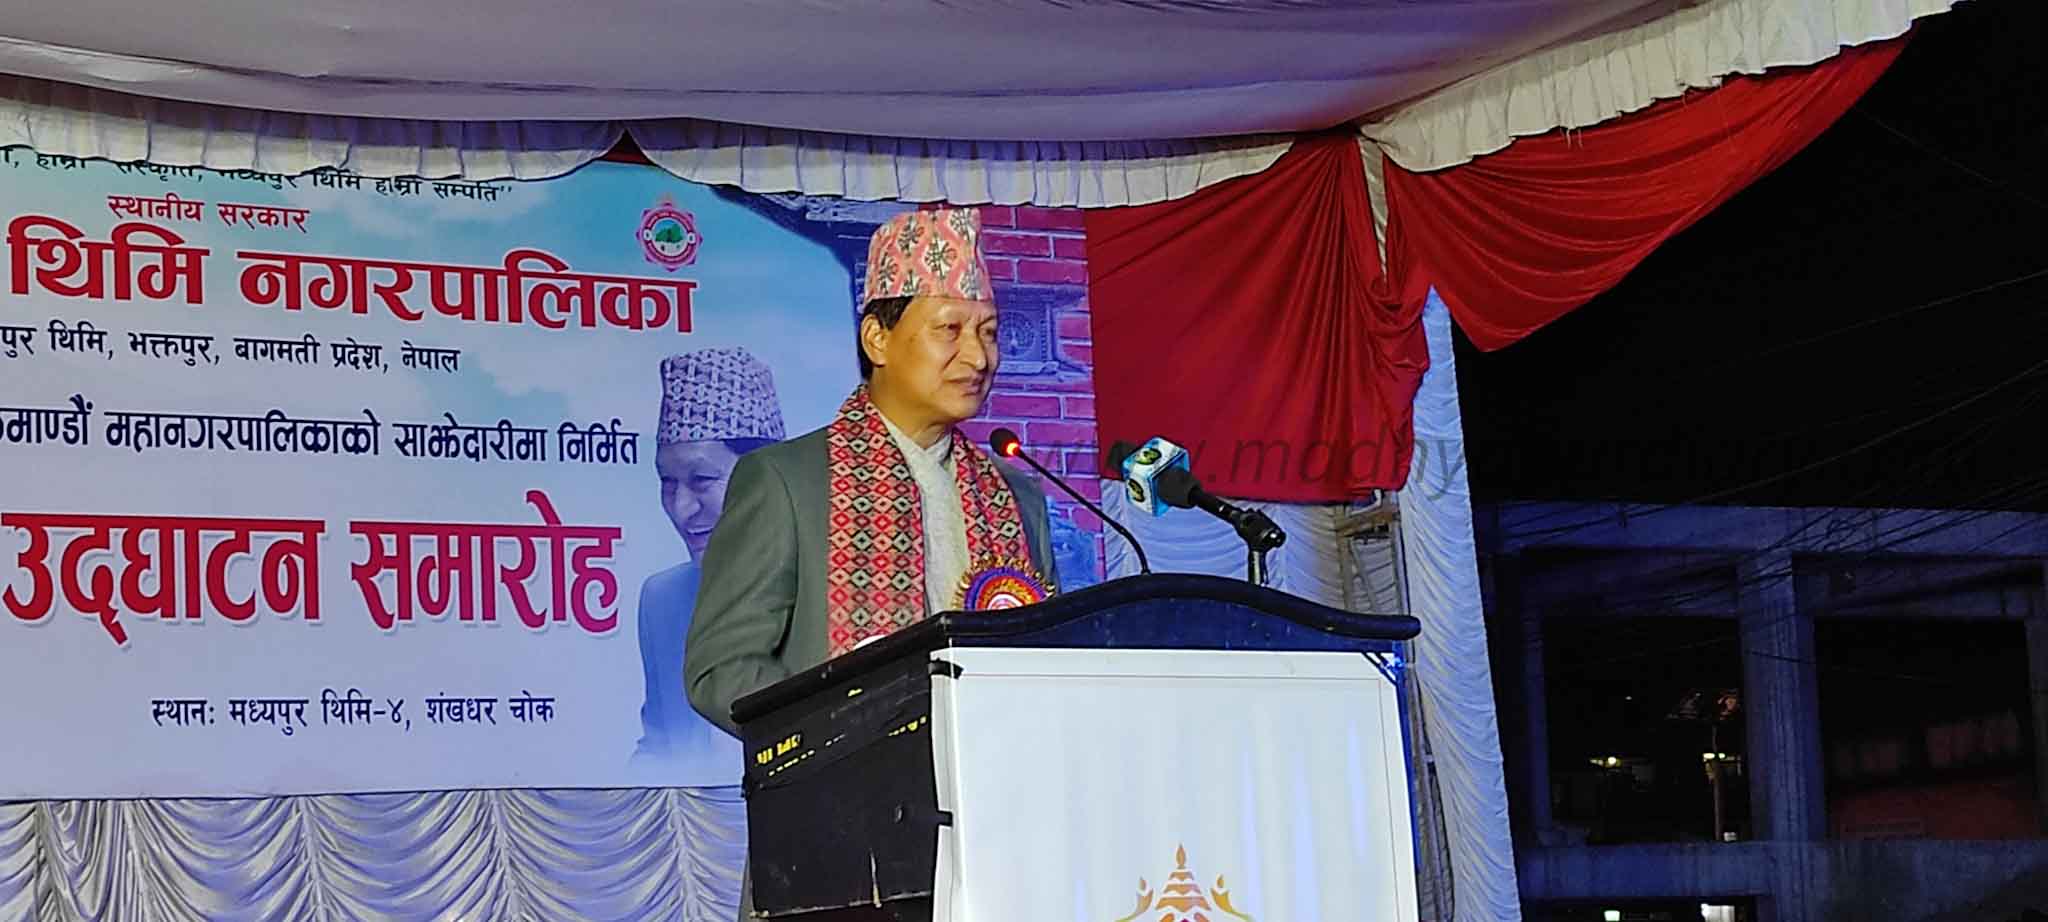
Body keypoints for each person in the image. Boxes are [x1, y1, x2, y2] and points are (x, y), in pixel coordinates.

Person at [686, 206, 1059, 917]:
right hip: (836, 841)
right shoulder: (789, 480)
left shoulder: (1017, 496)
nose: (978, 357)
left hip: (1000, 837)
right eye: (949, 330)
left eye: (988, 332)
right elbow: (720, 670)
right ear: (878, 338)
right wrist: (853, 732)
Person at [632, 347, 785, 770]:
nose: (681, 508)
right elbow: (662, 750)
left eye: (700, 479)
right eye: (667, 482)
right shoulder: (662, 600)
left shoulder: (828, 582)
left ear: (763, 476)